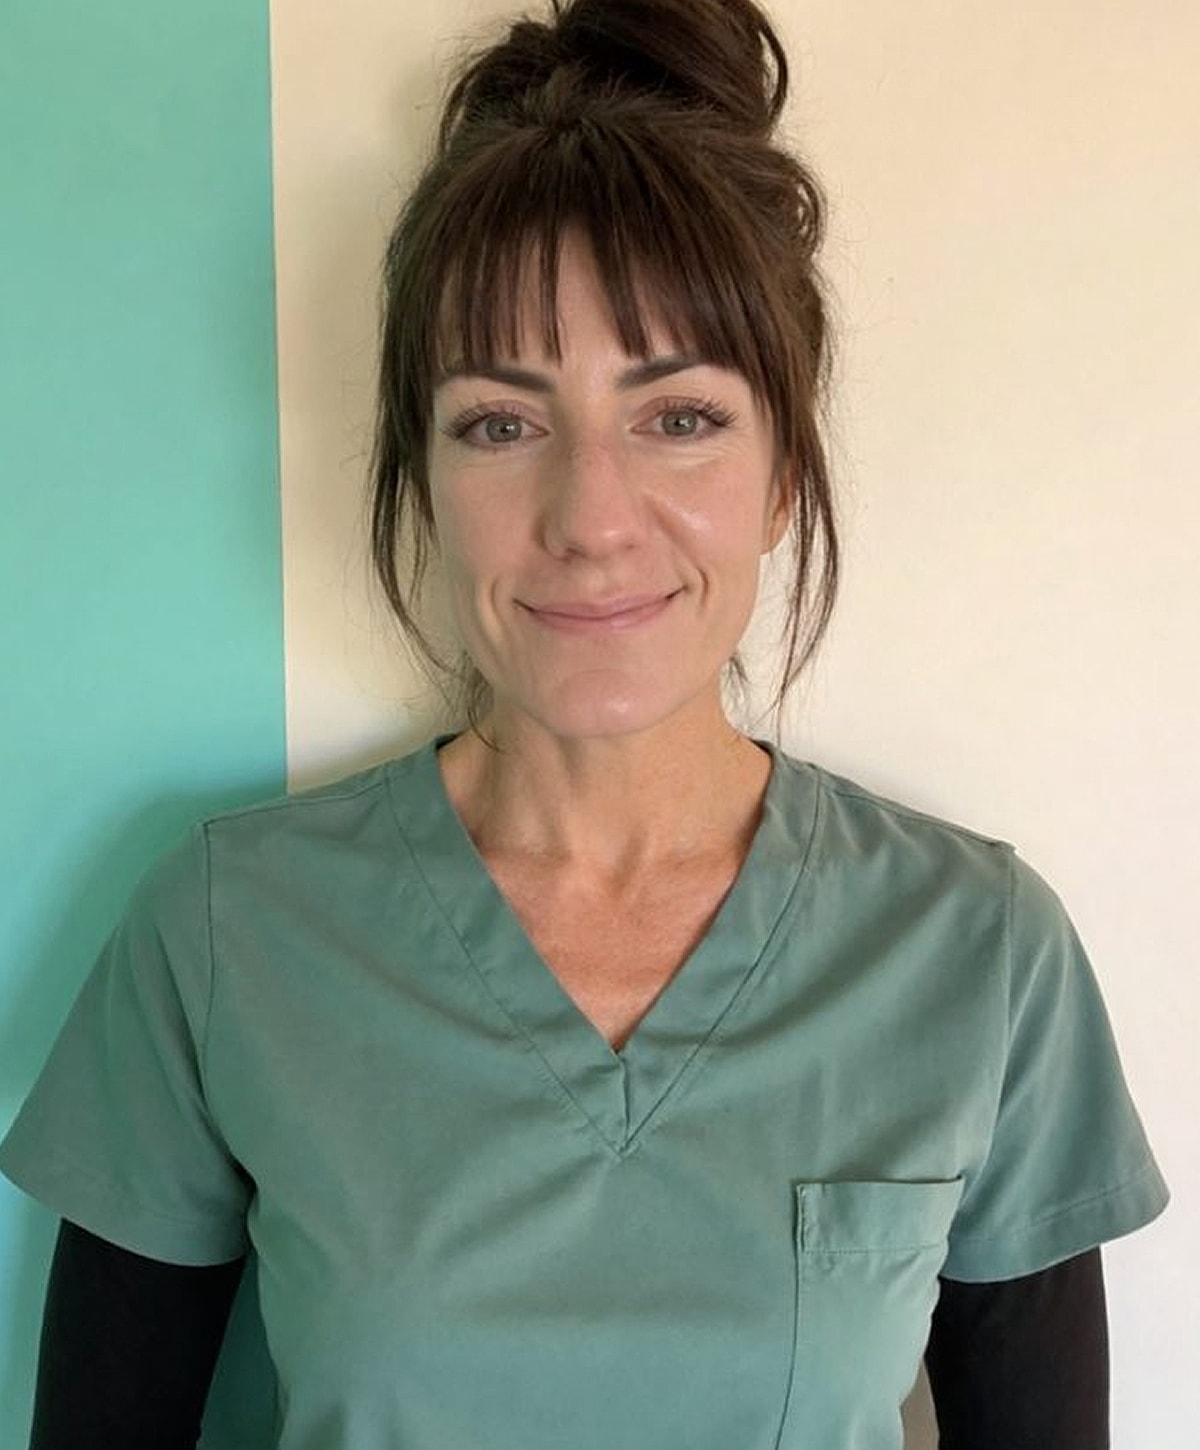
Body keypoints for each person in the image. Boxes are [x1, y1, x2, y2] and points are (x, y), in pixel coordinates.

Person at [0, 0, 1168, 1446]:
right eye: (502, 423)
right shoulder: (227, 932)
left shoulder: (978, 955)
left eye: (679, 417)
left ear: (783, 474)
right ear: (424, 478)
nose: (591, 518)